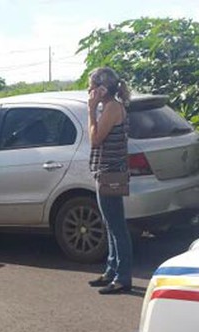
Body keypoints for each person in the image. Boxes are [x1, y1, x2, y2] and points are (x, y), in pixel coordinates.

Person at [86, 67, 133, 295]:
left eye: (92, 86)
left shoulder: (112, 108)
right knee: (110, 224)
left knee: (117, 228)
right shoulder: (111, 106)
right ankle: (112, 270)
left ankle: (122, 277)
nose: (89, 90)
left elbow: (95, 139)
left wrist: (91, 110)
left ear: (102, 89)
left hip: (110, 173)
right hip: (106, 172)